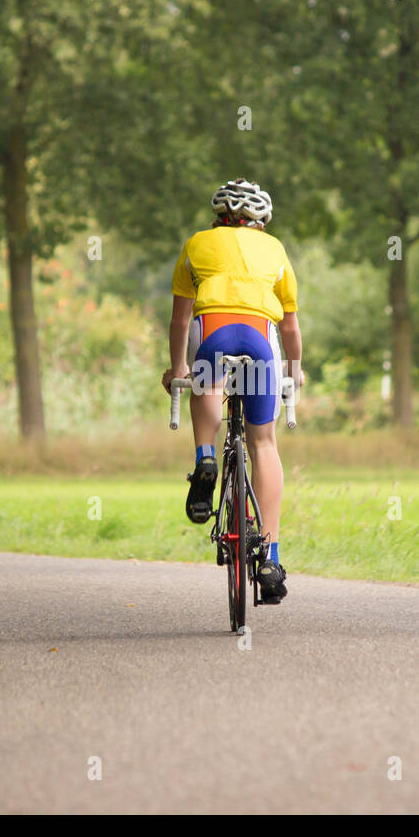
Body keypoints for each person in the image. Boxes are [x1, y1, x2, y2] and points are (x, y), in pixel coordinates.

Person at [162, 179, 304, 604]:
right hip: (260, 342)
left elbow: (178, 321)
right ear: (260, 221)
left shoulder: (195, 244)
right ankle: (271, 557)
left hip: (214, 338)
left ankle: (205, 457)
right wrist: (295, 371)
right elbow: (291, 327)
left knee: (204, 384)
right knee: (264, 443)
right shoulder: (275, 249)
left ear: (218, 217)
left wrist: (176, 368)